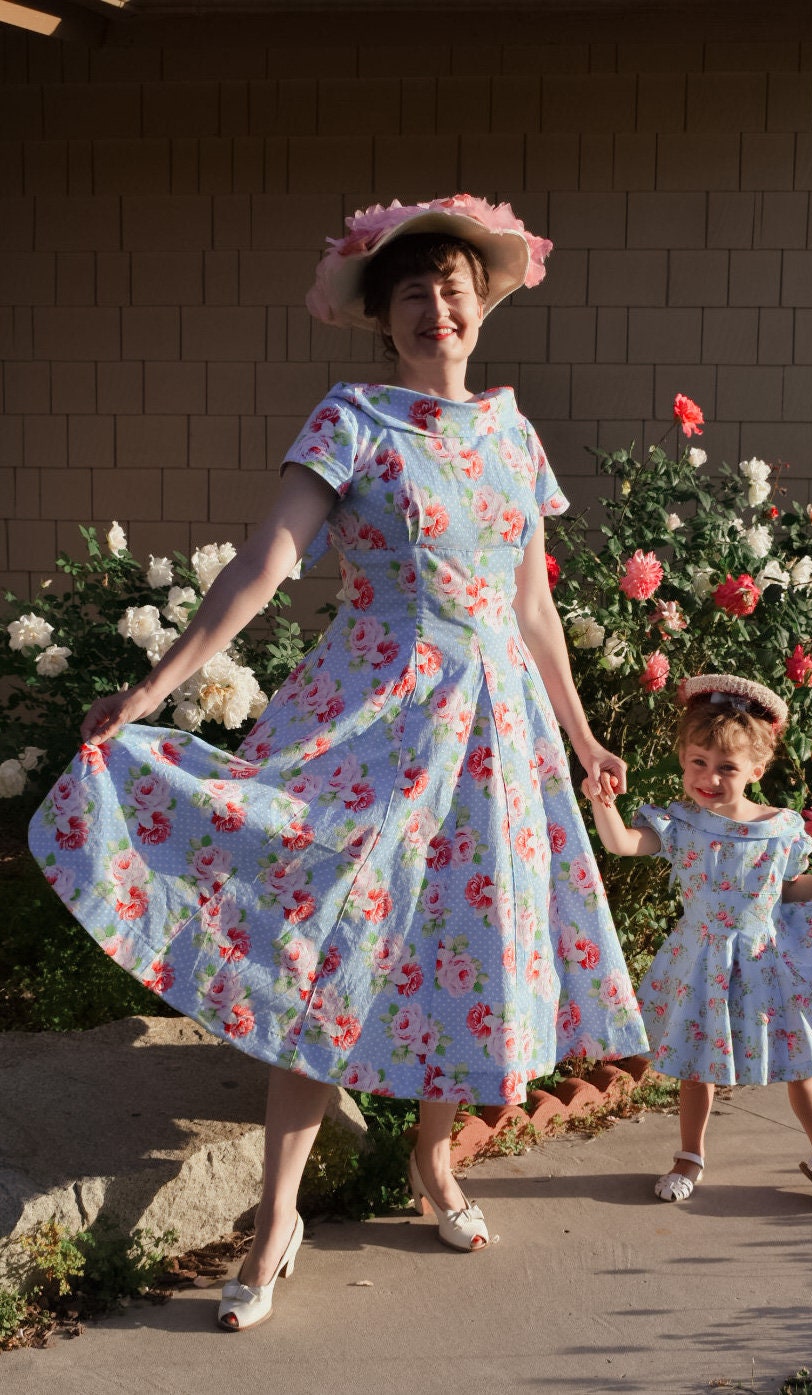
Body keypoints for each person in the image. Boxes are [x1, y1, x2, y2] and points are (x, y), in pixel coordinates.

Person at [29, 194, 649, 1331]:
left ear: (483, 302)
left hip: (497, 733)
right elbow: (267, 561)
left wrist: (581, 730)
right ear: (383, 316)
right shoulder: (352, 420)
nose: (437, 305)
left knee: (471, 947)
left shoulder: (513, 434)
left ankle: (432, 1164)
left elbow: (533, 606)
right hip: (376, 719)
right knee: (329, 952)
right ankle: (279, 1216)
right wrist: (155, 688)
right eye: (412, 291)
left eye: (455, 285)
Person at [582, 672, 812, 1210]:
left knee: (800, 1062)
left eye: (726, 767)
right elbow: (620, 844)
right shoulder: (678, 823)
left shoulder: (781, 828)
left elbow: (785, 890)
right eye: (698, 763)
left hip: (764, 959)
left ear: (756, 769)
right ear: (683, 758)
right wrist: (601, 800)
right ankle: (689, 1155)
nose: (709, 777)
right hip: (701, 957)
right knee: (697, 1062)